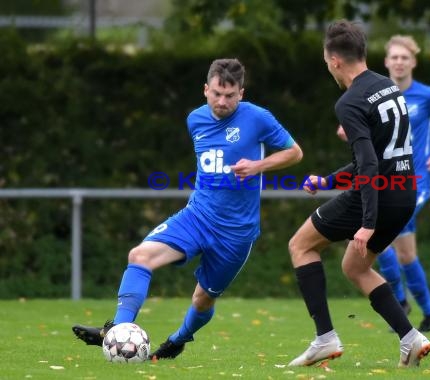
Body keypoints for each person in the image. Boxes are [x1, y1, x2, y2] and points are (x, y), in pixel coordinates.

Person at [72, 58, 303, 360]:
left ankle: (179, 339)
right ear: (206, 89)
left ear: (241, 94)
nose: (222, 101)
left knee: (203, 300)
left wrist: (258, 166)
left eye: (230, 95)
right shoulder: (195, 119)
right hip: (196, 217)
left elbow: (295, 153)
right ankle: (116, 330)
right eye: (217, 93)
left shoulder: (258, 118)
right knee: (139, 256)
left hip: (235, 233)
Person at [288, 20, 430, 368]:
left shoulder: (349, 101)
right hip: (404, 194)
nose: (328, 68)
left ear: (335, 60)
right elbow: (377, 159)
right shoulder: (389, 87)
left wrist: (367, 223)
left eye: (326, 62)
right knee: (355, 266)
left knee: (300, 245)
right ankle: (411, 338)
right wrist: (326, 181)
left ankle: (325, 338)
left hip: (378, 197)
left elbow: (368, 165)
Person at [374, 35, 430, 332]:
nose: (399, 62)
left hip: (418, 181)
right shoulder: (377, 96)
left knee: (379, 233)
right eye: (394, 57)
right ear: (386, 62)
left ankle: (398, 301)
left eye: (404, 57)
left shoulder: (428, 96)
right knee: (406, 253)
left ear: (413, 62)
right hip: (387, 179)